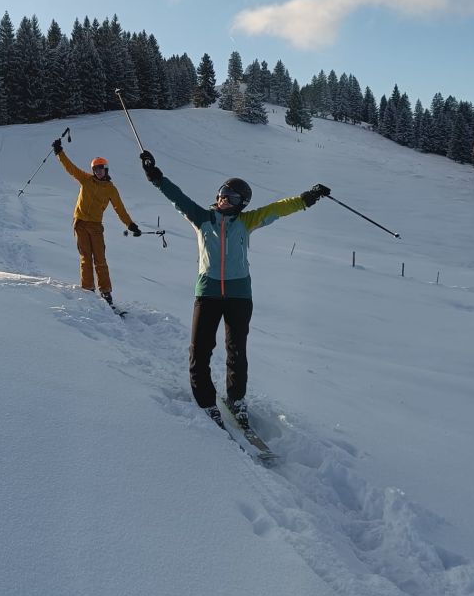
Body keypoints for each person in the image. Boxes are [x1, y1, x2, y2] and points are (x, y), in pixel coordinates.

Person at [139, 149, 330, 428]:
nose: (223, 199)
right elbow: (177, 198)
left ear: (242, 203)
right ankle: (206, 401)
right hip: (207, 293)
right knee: (200, 350)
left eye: (231, 197)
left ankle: (236, 399)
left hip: (239, 296)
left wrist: (307, 198)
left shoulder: (246, 221)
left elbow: (277, 209)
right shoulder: (202, 218)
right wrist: (156, 177)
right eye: (222, 193)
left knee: (237, 352)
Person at [52, 137, 141, 306]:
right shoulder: (86, 179)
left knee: (100, 260)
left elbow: (119, 208)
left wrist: (130, 224)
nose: (98, 172)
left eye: (101, 169)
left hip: (95, 226)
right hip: (80, 223)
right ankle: (88, 290)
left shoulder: (110, 189)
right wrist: (59, 152)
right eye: (95, 169)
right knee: (85, 258)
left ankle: (106, 293)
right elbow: (71, 168)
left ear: (106, 170)